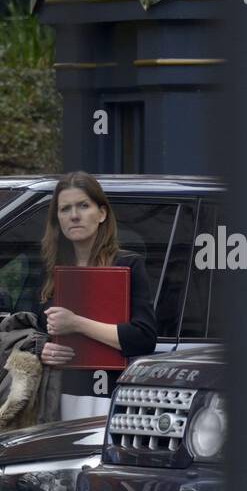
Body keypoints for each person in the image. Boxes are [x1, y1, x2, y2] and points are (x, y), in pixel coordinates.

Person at [34, 171, 158, 419]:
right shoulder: (50, 269)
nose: (74, 215)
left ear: (101, 214)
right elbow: (33, 328)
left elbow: (143, 337)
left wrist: (76, 323)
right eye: (65, 209)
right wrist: (42, 349)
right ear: (58, 219)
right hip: (56, 396)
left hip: (110, 397)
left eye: (83, 206)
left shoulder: (127, 265)